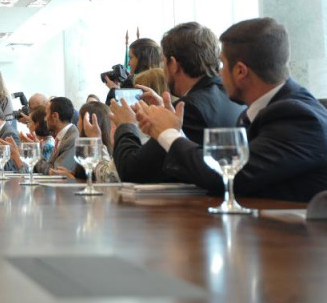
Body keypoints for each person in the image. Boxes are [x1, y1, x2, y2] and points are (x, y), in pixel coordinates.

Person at [135, 18, 327, 202]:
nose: (219, 73)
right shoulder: (264, 110)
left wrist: (168, 133)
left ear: (241, 71)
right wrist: (174, 130)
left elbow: (225, 176)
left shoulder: (298, 118)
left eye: (223, 65)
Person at [111, 22, 245, 184]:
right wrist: (162, 111)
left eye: (163, 62)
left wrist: (126, 125)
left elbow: (132, 171)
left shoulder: (187, 109)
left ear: (173, 64)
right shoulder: (235, 98)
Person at [104, 38, 162, 104]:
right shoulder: (166, 80)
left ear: (142, 59)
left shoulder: (133, 84)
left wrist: (114, 91)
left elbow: (114, 109)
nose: (128, 63)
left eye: (131, 58)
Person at [45, 97, 79, 174]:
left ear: (55, 116)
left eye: (46, 114)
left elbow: (57, 172)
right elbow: (50, 166)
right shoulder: (61, 137)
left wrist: (34, 156)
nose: (45, 119)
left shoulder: (72, 139)